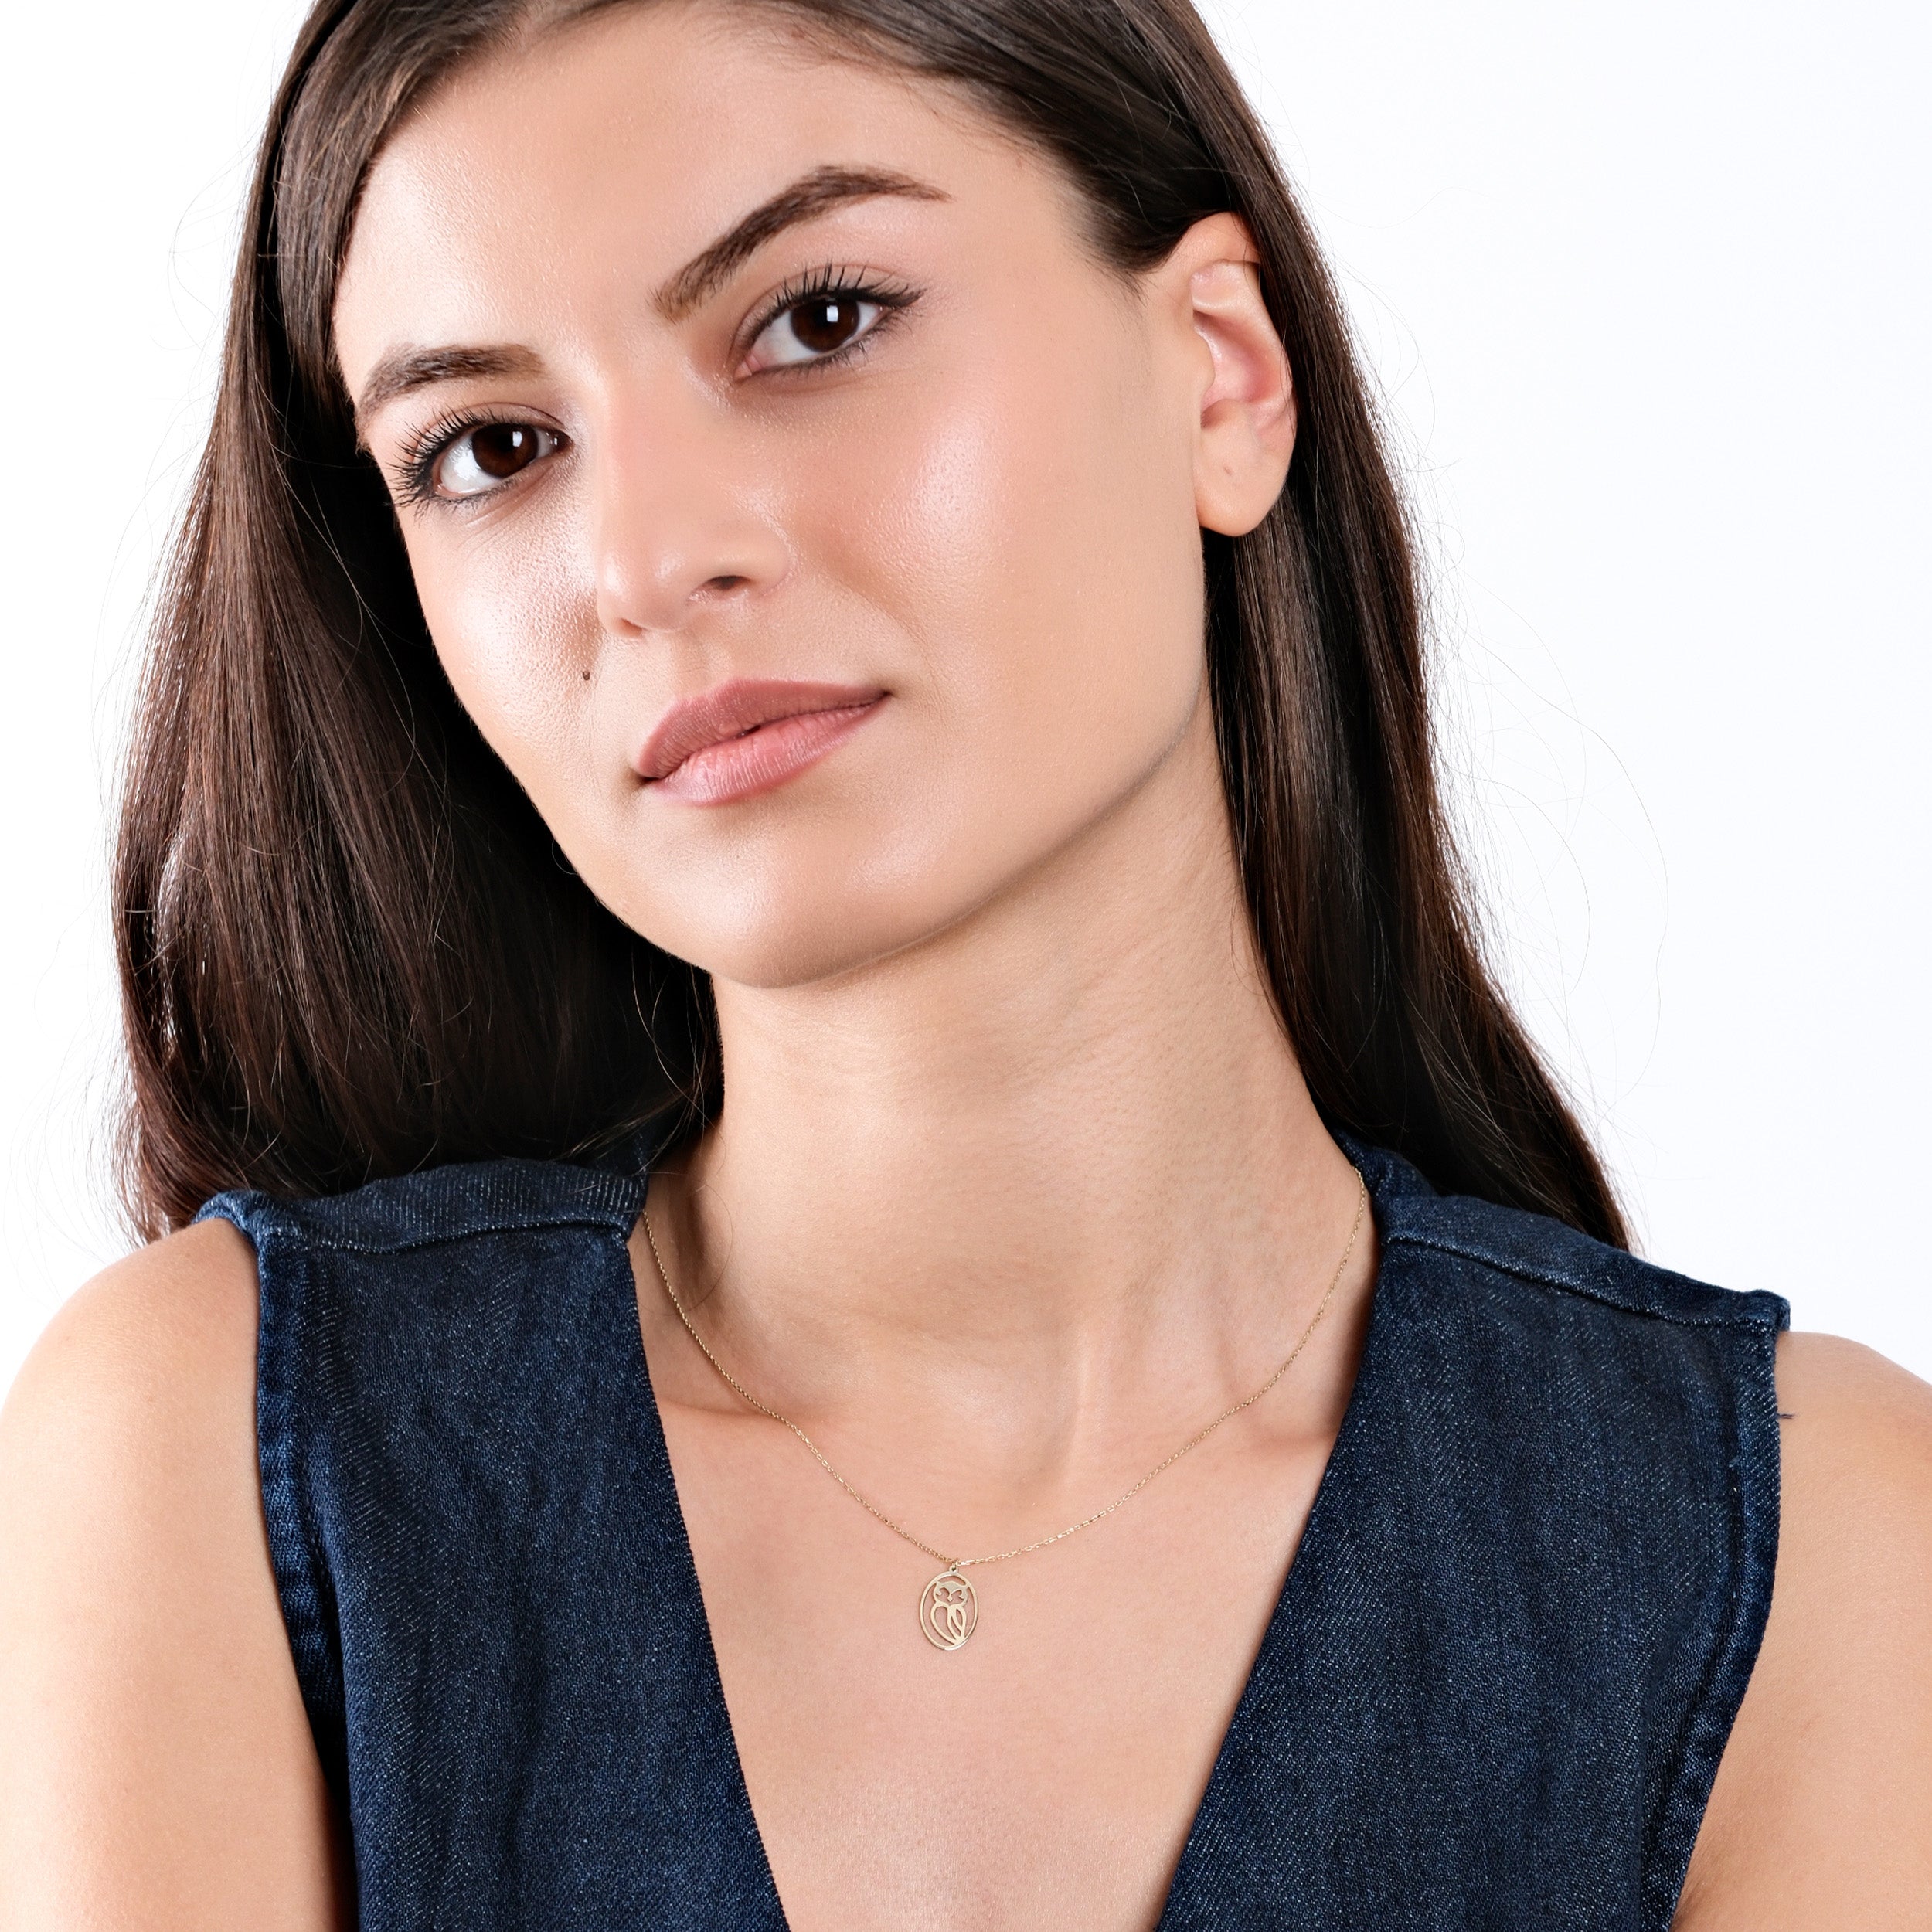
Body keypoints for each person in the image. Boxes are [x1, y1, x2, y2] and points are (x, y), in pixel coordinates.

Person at [2, 0, 1928, 1924]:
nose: (647, 556)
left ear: (1218, 377)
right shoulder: (222, 1472)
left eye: (814, 319)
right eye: (491, 446)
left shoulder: (1807, 1560)